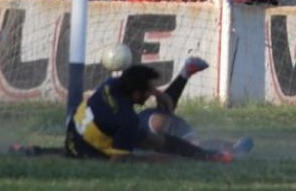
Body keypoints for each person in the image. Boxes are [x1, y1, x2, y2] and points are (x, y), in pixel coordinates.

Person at [65, 63, 233, 162]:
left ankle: (203, 154)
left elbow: (134, 88)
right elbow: (120, 162)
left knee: (154, 139)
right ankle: (203, 154)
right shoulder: (126, 120)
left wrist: (157, 94)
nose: (152, 91)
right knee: (156, 144)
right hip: (86, 153)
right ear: (137, 94)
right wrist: (157, 159)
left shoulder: (111, 83)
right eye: (149, 90)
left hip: (74, 136)